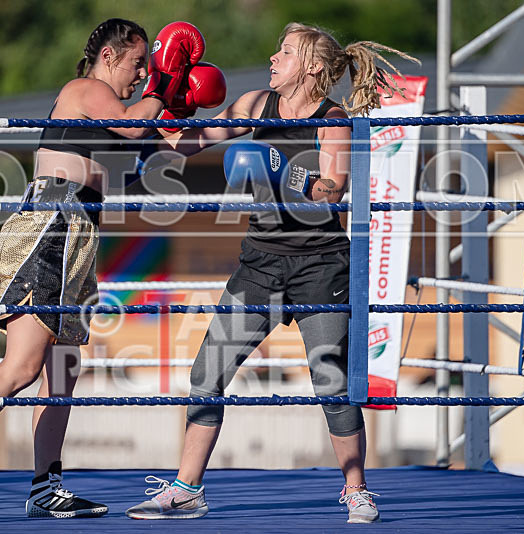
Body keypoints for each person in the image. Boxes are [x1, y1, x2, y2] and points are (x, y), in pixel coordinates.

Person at [0, 18, 208, 523]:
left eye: (149, 66)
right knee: (23, 366)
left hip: (80, 235)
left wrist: (220, 116)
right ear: (109, 57)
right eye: (138, 63)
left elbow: (164, 150)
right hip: (49, 226)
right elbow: (134, 124)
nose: (143, 74)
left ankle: (45, 487)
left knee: (62, 372)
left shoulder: (117, 114)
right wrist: (163, 87)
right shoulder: (85, 90)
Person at [126, 22, 418, 524]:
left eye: (285, 52)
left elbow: (334, 189)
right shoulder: (256, 104)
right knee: (207, 374)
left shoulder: (333, 119)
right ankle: (186, 489)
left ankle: (356, 490)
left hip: (320, 265)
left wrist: (286, 170)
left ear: (313, 67)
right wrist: (168, 96)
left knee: (331, 381)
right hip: (259, 263)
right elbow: (185, 144)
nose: (272, 58)